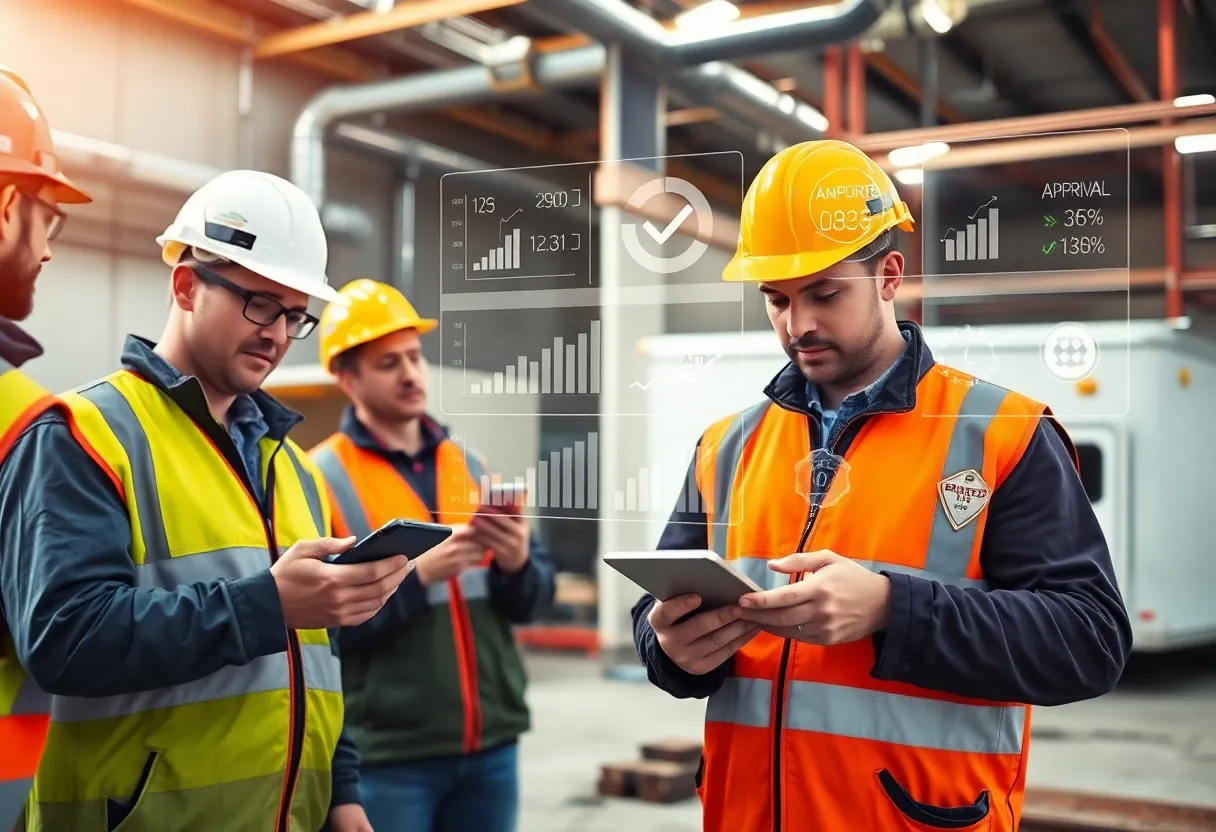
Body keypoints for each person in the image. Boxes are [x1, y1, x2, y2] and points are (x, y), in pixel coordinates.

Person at [631, 139, 1132, 832]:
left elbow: (1090, 642)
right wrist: (669, 651)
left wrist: (893, 610)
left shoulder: (1003, 434)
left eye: (825, 293)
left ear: (889, 275)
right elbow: (658, 613)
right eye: (775, 299)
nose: (797, 325)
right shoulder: (726, 446)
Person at [0, 170, 412, 831]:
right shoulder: (83, 435)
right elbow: (65, 640)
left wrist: (342, 793)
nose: (277, 334)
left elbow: (316, 662)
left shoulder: (296, 470)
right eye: (259, 303)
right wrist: (267, 603)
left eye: (295, 313)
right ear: (186, 286)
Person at [309, 278, 556, 832]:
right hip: (388, 757)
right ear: (348, 378)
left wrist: (517, 563)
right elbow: (317, 634)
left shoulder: (470, 465)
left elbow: (533, 601)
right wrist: (416, 581)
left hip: (492, 744)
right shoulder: (319, 479)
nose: (411, 374)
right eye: (388, 362)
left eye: (415, 357)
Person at [0, 66, 94, 829]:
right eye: (47, 221)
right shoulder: (27, 421)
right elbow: (67, 641)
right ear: (7, 209)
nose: (49, 251)